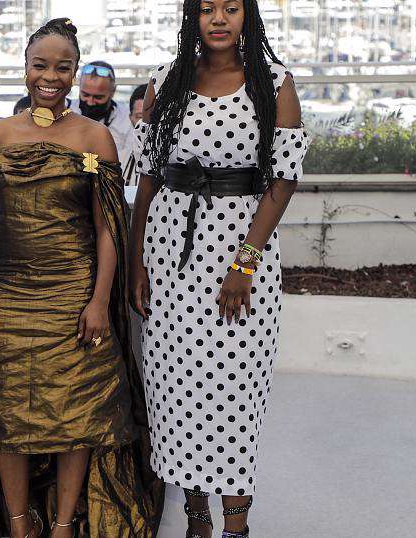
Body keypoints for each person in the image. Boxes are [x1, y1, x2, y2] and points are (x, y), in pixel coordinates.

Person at [0, 18, 162, 538]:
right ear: (25, 67)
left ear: (74, 73)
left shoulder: (95, 137)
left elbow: (107, 228)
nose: (50, 77)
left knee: (78, 413)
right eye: (40, 65)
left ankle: (60, 525)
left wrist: (100, 301)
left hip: (75, 294)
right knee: (8, 412)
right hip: (8, 294)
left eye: (62, 67)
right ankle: (18, 525)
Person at [128, 1, 308, 537]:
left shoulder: (274, 83)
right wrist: (137, 261)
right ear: (193, 17)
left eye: (231, 7)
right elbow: (148, 178)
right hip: (169, 255)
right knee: (175, 391)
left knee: (234, 393)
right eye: (207, 8)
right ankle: (197, 519)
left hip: (241, 255)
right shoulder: (167, 80)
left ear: (247, 15)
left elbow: (282, 181)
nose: (219, 18)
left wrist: (244, 265)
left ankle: (236, 525)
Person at [68, 60, 134, 164]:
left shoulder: (127, 118)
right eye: (85, 95)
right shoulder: (65, 110)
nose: (90, 102)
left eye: (98, 97)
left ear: (112, 92)